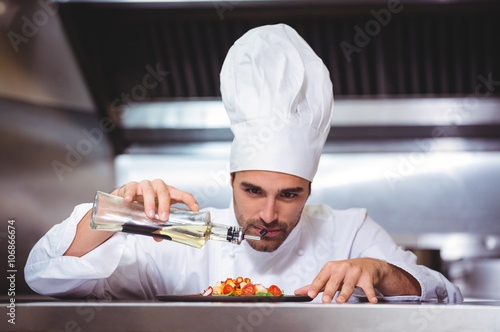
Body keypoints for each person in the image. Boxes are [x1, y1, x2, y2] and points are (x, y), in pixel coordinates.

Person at [25, 24, 463, 304]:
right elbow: (42, 277)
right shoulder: (181, 238)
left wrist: (380, 271)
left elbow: (446, 297)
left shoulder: (349, 233)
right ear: (231, 179)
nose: (268, 216)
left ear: (310, 190)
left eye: (289, 195)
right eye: (253, 191)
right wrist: (114, 215)